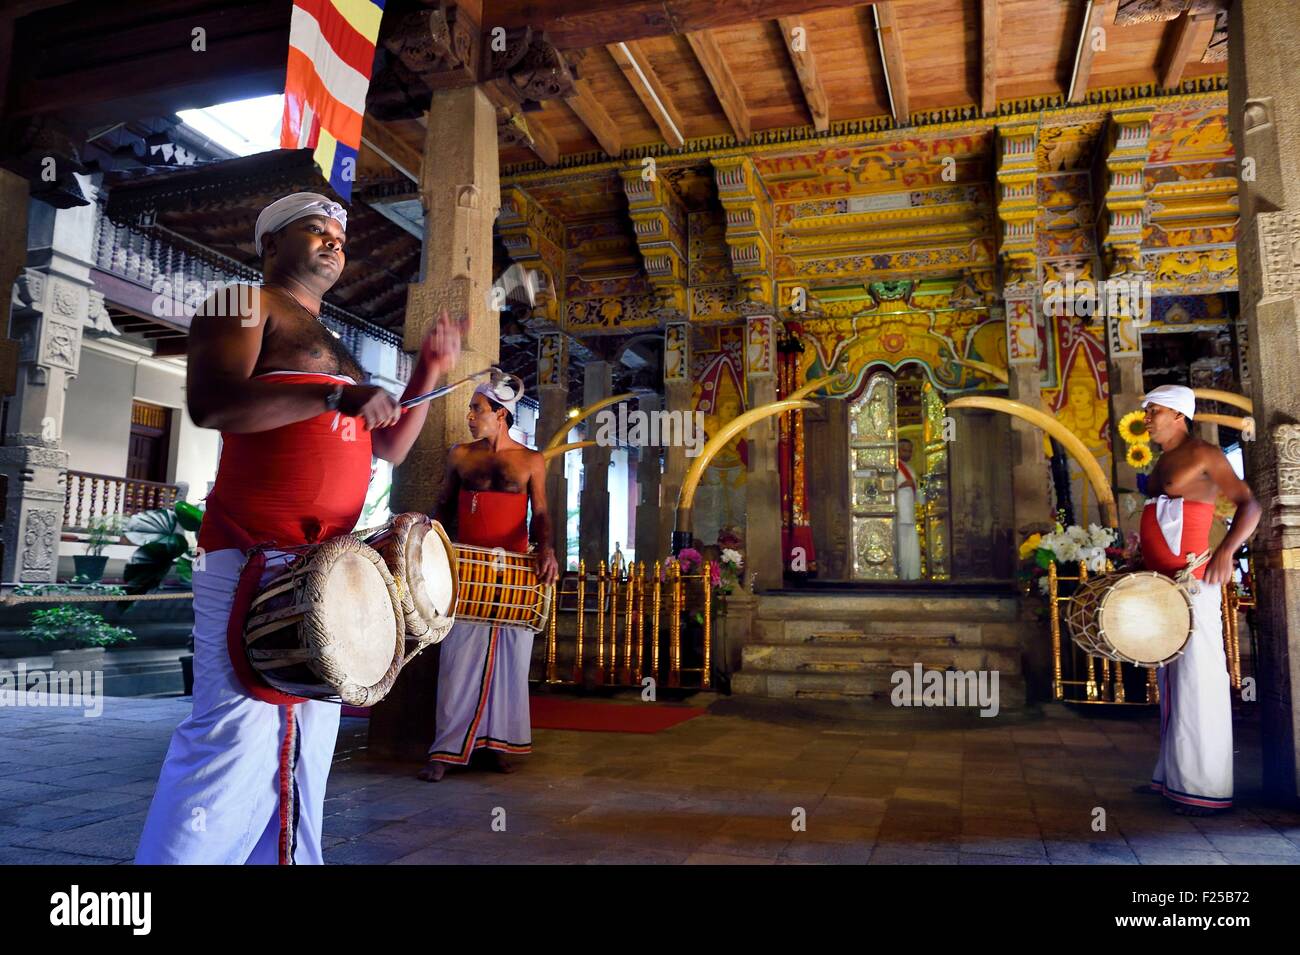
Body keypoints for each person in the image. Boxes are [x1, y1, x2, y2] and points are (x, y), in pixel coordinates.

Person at [135, 193, 461, 863]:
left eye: (340, 235)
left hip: (322, 568)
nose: (333, 242)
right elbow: (211, 403)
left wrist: (426, 370)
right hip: (253, 551)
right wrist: (332, 394)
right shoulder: (241, 303)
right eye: (315, 230)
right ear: (271, 246)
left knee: (305, 748)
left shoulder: (335, 339)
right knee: (232, 739)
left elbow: (389, 447)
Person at [419, 380, 559, 781]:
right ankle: (444, 751)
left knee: (511, 660)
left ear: (501, 414)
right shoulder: (460, 455)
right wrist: (432, 553)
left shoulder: (531, 460)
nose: (470, 416)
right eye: (470, 409)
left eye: (477, 409)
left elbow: (542, 514)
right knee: (457, 657)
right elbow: (444, 505)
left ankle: (499, 743)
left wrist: (546, 550)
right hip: (467, 566)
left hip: (515, 571)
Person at [1136, 384, 1259, 815]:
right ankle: (1172, 777)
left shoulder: (1205, 454)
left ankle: (1205, 788)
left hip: (1193, 581)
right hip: (1165, 585)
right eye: (1148, 412)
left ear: (1178, 415)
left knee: (1198, 675)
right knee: (1171, 680)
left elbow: (1250, 505)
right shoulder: (1162, 459)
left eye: (1154, 412)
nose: (1147, 419)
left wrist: (1226, 550)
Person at [895, 438, 924, 580]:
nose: (908, 453)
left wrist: (924, 490)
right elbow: (884, 489)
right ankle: (899, 575)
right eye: (905, 450)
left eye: (910, 450)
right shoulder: (893, 466)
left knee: (910, 547)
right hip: (898, 514)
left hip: (910, 514)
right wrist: (900, 485)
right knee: (900, 546)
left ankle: (911, 576)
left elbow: (918, 489)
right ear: (898, 450)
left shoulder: (911, 469)